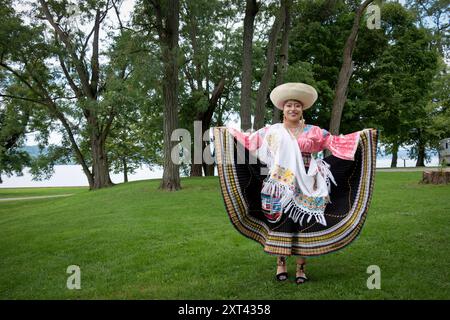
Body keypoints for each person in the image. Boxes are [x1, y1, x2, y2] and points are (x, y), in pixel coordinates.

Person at [212, 82, 378, 285]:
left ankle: (301, 268)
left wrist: (362, 137)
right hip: (279, 184)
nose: (293, 109)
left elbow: (337, 143)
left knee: (303, 225)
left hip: (307, 183)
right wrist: (226, 133)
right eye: (289, 105)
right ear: (283, 108)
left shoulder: (314, 131)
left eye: (297, 105)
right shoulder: (270, 131)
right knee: (280, 222)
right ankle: (280, 264)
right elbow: (248, 142)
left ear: (302, 109)